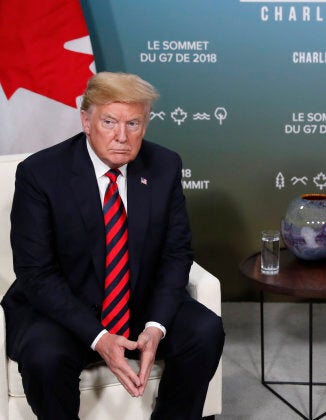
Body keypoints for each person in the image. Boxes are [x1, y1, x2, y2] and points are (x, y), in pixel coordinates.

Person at [1, 72, 225, 419]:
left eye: (133, 123)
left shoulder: (164, 166)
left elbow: (175, 253)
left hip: (137, 303)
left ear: (145, 126)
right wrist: (98, 336)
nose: (122, 136)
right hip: (62, 308)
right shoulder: (41, 174)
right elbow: (36, 273)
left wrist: (156, 326)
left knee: (205, 331)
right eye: (109, 121)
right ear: (86, 121)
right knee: (45, 358)